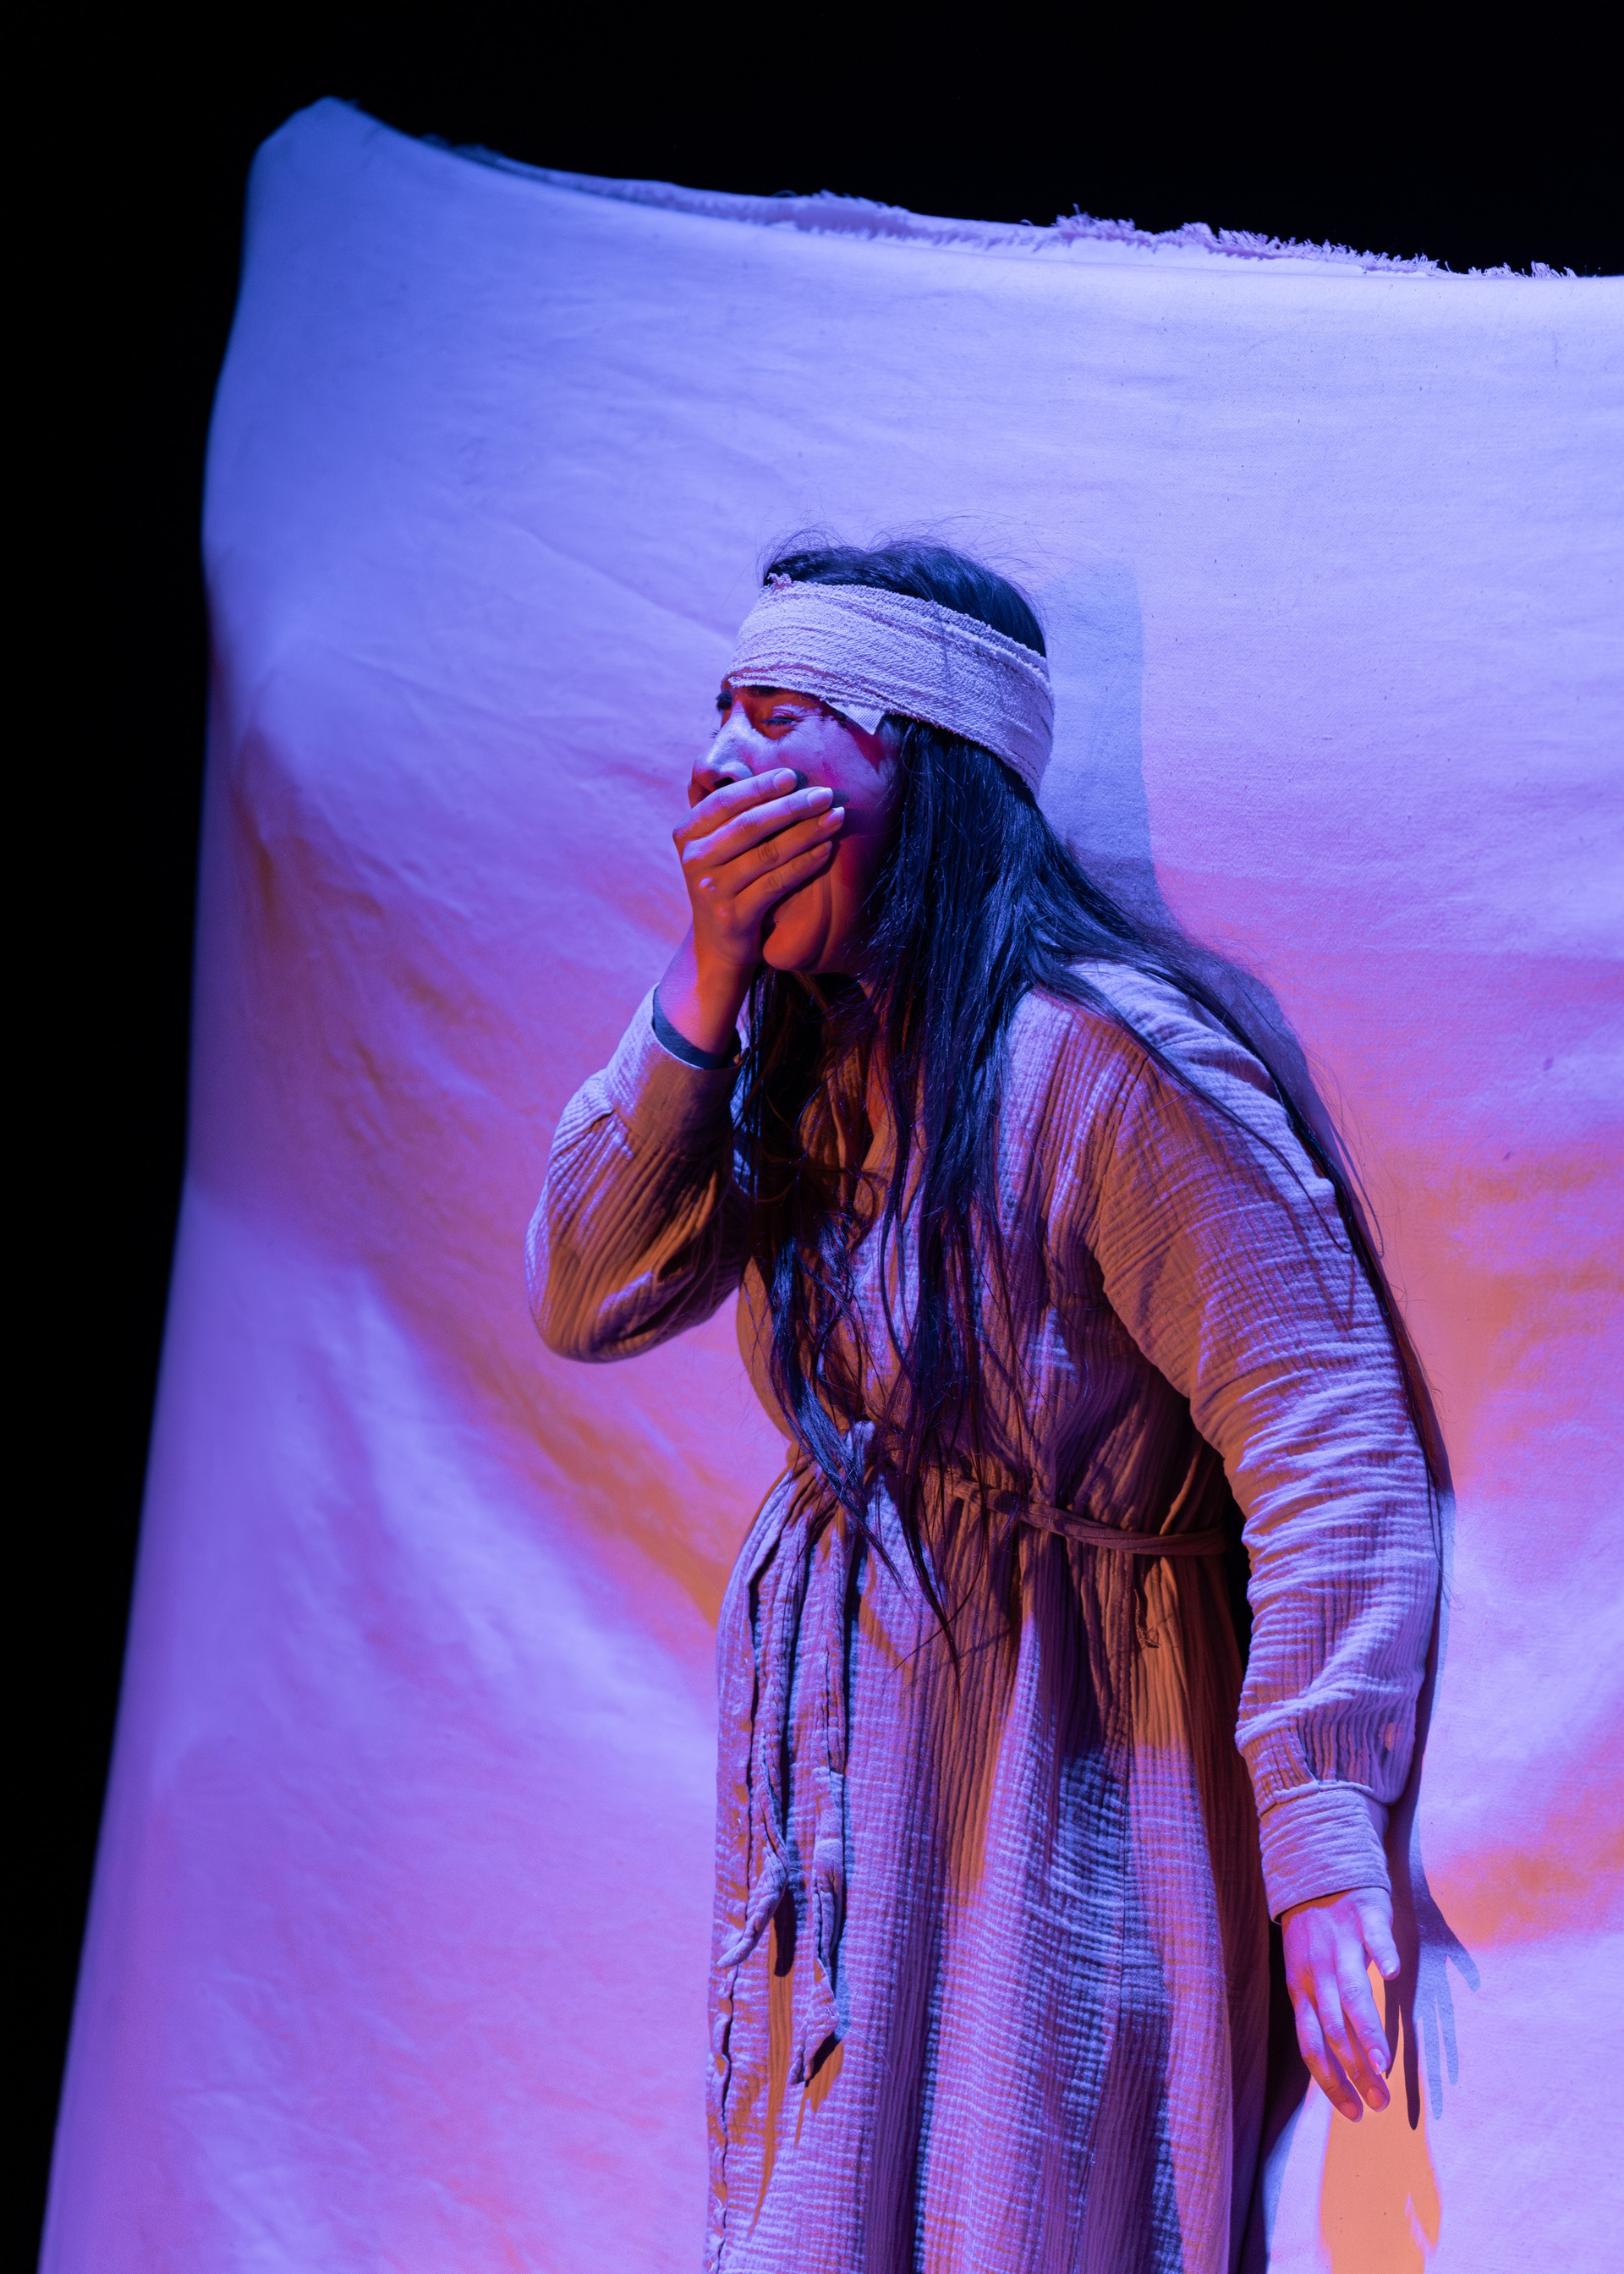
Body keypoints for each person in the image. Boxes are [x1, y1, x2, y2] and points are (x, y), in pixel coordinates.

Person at [529, 541, 1438, 2272]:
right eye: (717, 711)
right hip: (854, 1806)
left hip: (1063, 1789)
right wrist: (705, 986)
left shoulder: (1096, 1067)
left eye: (780, 716)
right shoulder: (802, 1069)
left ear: (919, 767)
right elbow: (584, 1286)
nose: (716, 762)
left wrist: (1323, 1841)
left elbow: (1325, 1425)